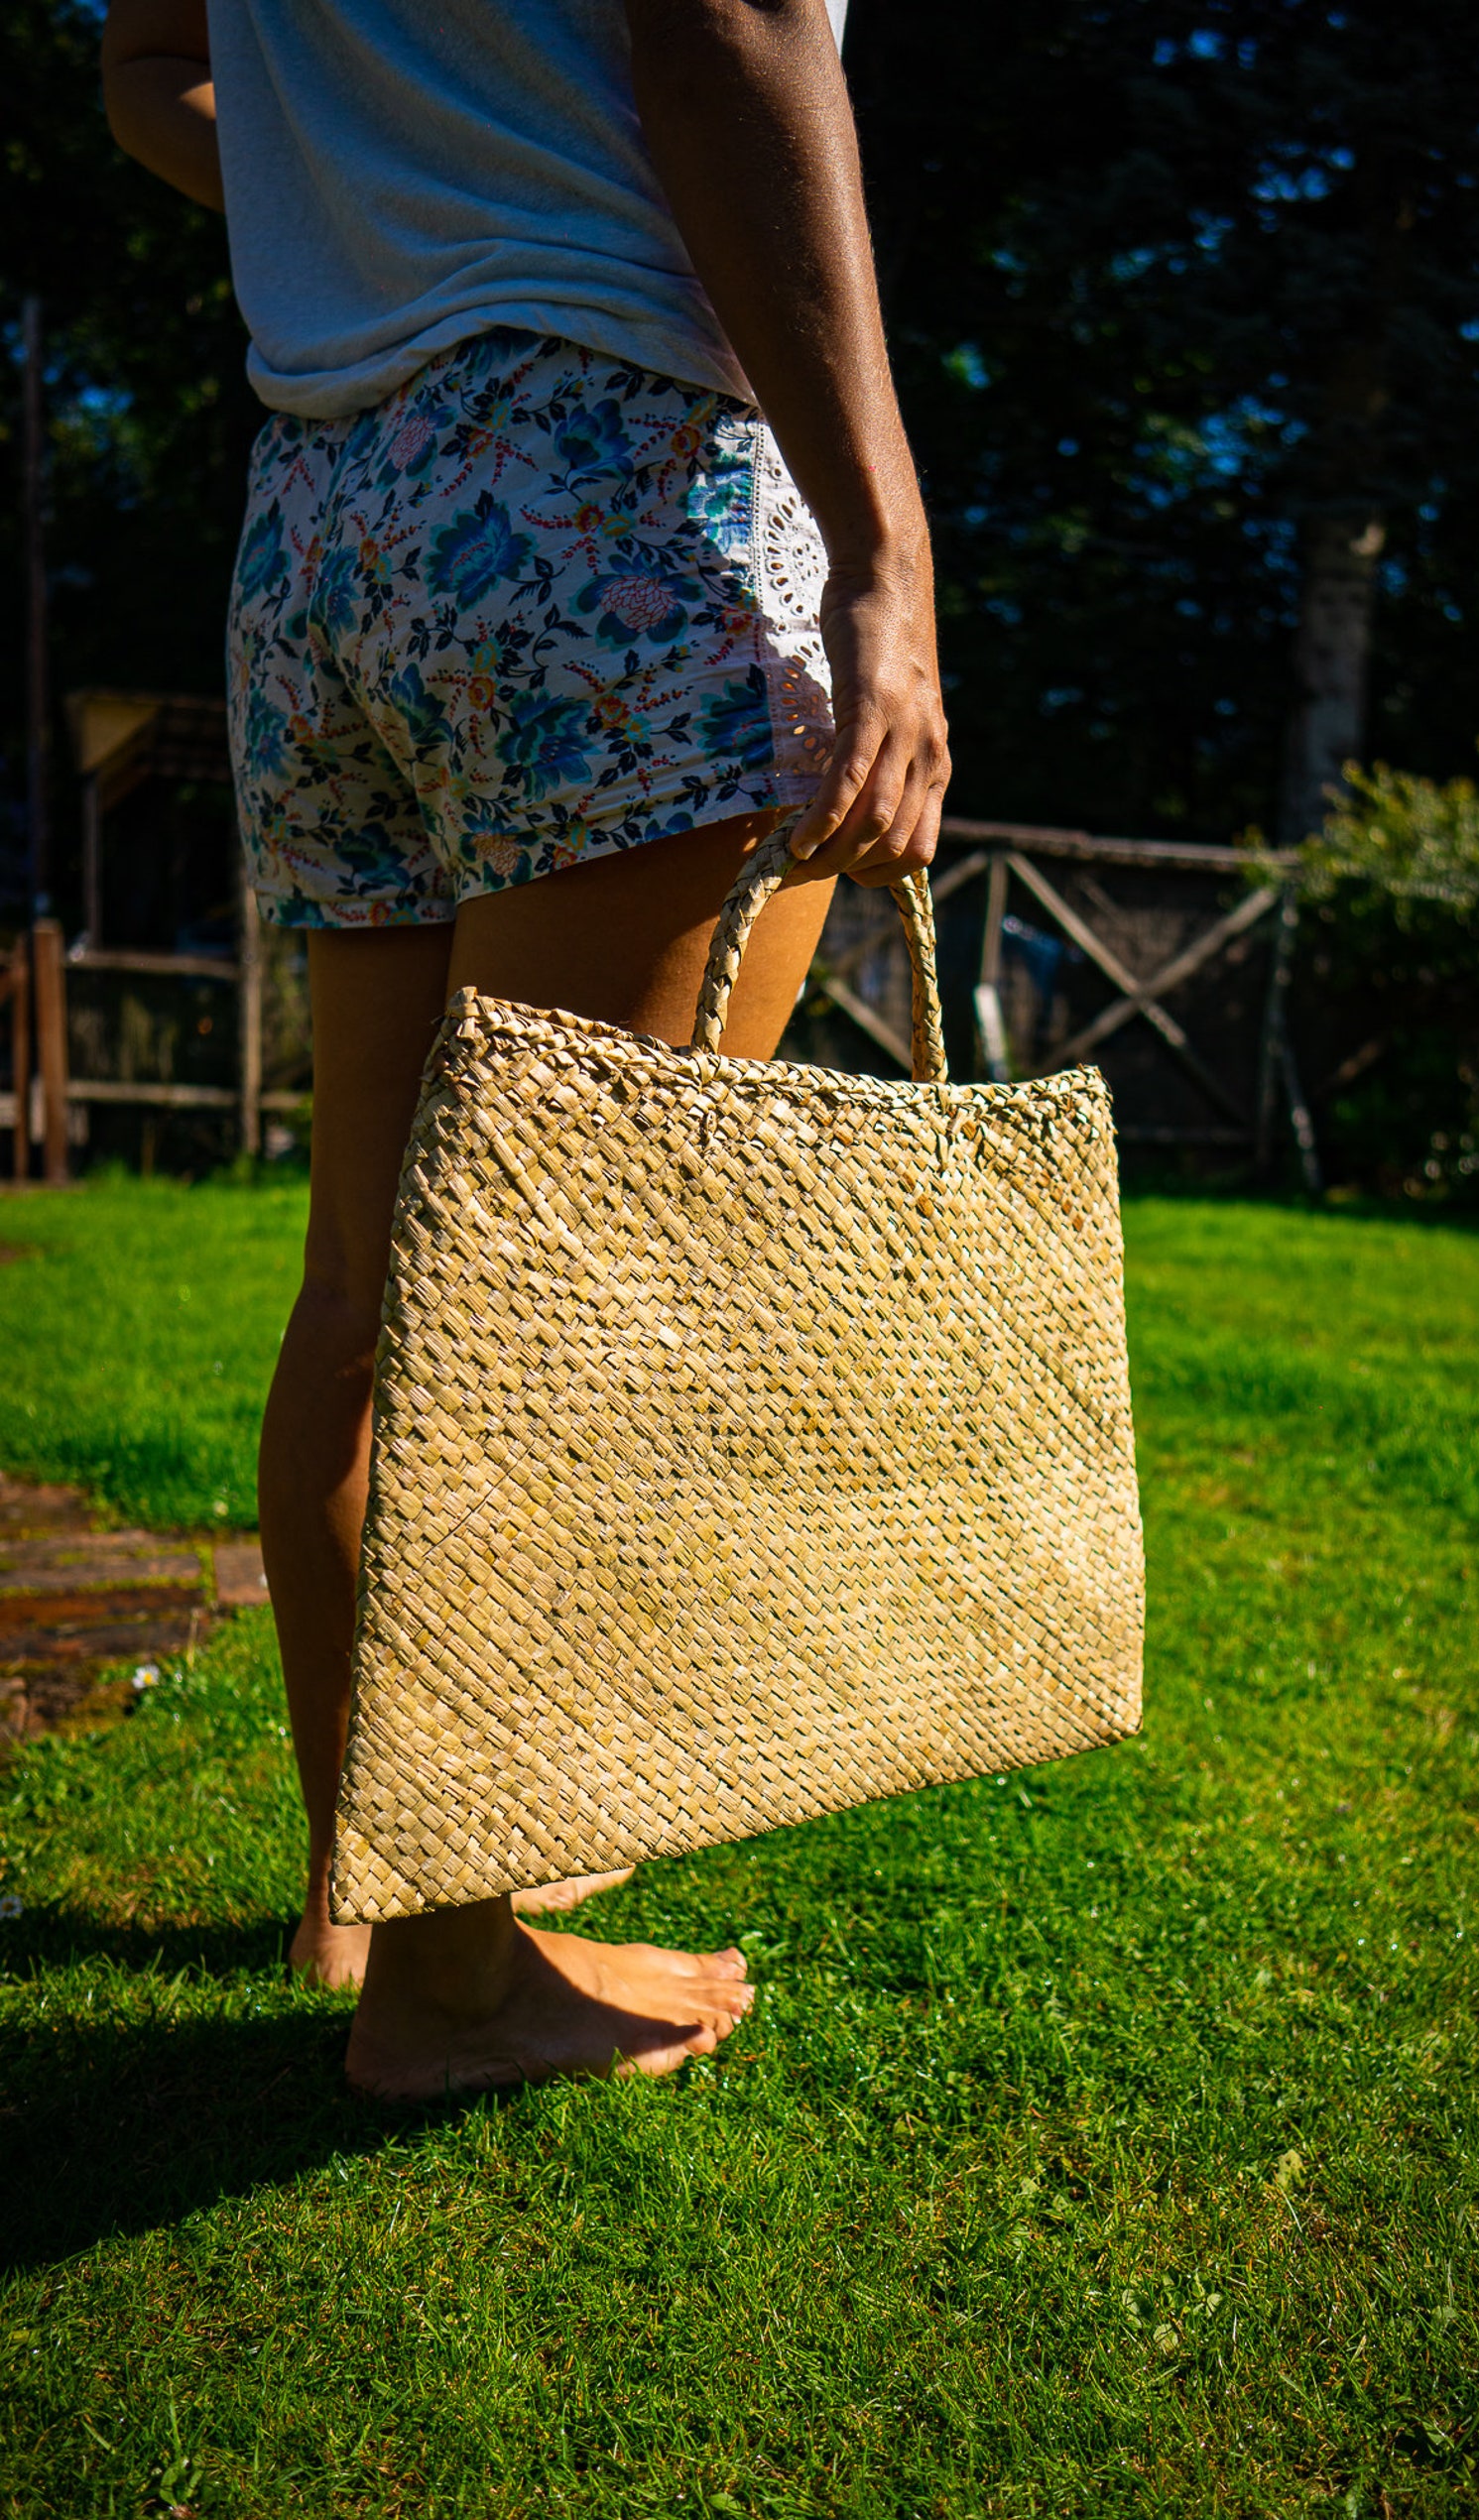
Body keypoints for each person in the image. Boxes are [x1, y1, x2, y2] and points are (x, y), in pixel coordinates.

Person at [101, 0, 950, 2100]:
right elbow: (722, 28)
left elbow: (149, 71)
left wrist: (376, 222)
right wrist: (886, 553)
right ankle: (453, 1985)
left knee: (381, 1289)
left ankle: (374, 1887)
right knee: (565, 1316)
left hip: (328, 502)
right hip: (610, 478)